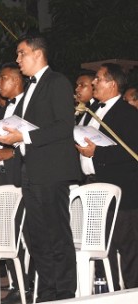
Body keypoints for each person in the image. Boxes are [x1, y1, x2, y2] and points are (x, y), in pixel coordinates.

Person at [0, 34, 81, 302]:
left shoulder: (57, 82)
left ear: (38, 54)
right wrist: (13, 136)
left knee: (56, 234)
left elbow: (64, 126)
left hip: (52, 170)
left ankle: (64, 291)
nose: (18, 59)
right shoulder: (30, 88)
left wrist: (23, 137)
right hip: (31, 170)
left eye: (21, 53)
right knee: (38, 236)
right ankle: (47, 291)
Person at [75, 63, 138, 290]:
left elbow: (131, 151)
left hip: (122, 191)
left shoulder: (127, 113)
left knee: (128, 249)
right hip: (93, 186)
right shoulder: (90, 112)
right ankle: (109, 291)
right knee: (102, 246)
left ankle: (133, 293)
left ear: (112, 84)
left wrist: (97, 152)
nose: (94, 83)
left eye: (99, 79)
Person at [0, 62, 33, 304]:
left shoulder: (30, 106)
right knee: (7, 232)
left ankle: (30, 282)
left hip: (22, 177)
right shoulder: (1, 110)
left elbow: (36, 141)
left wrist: (12, 154)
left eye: (2, 78)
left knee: (27, 232)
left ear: (16, 81)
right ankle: (18, 283)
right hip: (1, 176)